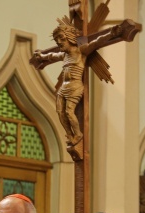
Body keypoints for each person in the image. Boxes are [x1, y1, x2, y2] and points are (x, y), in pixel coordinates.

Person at [34, 16, 122, 147]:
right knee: (60, 112)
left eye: (62, 39)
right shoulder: (64, 55)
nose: (59, 42)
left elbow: (96, 42)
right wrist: (41, 56)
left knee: (69, 112)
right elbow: (51, 56)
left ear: (70, 38)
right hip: (64, 87)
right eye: (57, 40)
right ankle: (69, 134)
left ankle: (78, 134)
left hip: (75, 85)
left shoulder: (81, 51)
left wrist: (111, 33)